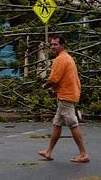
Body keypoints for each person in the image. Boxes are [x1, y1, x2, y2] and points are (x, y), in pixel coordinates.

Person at [37, 34, 90, 163]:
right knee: (57, 123)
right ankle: (48, 152)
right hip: (67, 94)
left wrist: (44, 86)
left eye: (56, 44)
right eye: (52, 44)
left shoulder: (60, 59)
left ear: (62, 45)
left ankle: (83, 154)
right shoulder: (67, 58)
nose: (53, 47)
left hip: (66, 96)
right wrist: (53, 90)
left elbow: (54, 79)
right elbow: (61, 79)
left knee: (73, 124)